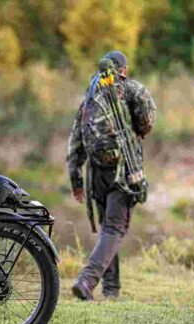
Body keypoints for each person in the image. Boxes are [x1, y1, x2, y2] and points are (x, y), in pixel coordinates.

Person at [67, 50, 156, 301]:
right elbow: (147, 122)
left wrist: (76, 181)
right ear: (124, 70)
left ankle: (111, 290)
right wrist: (134, 131)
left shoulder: (89, 97)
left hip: (96, 173)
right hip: (124, 169)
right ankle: (87, 280)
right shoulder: (132, 90)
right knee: (115, 228)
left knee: (108, 228)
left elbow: (75, 142)